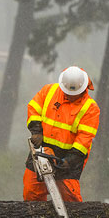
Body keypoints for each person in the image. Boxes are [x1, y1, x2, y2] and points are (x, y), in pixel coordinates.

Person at [23, 66, 100, 202]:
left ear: (82, 89)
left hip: (69, 156)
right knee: (32, 193)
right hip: (42, 149)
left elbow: (84, 140)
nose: (69, 96)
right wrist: (36, 131)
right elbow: (33, 108)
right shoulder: (49, 91)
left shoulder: (90, 109)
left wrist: (69, 161)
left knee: (69, 198)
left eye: (73, 94)